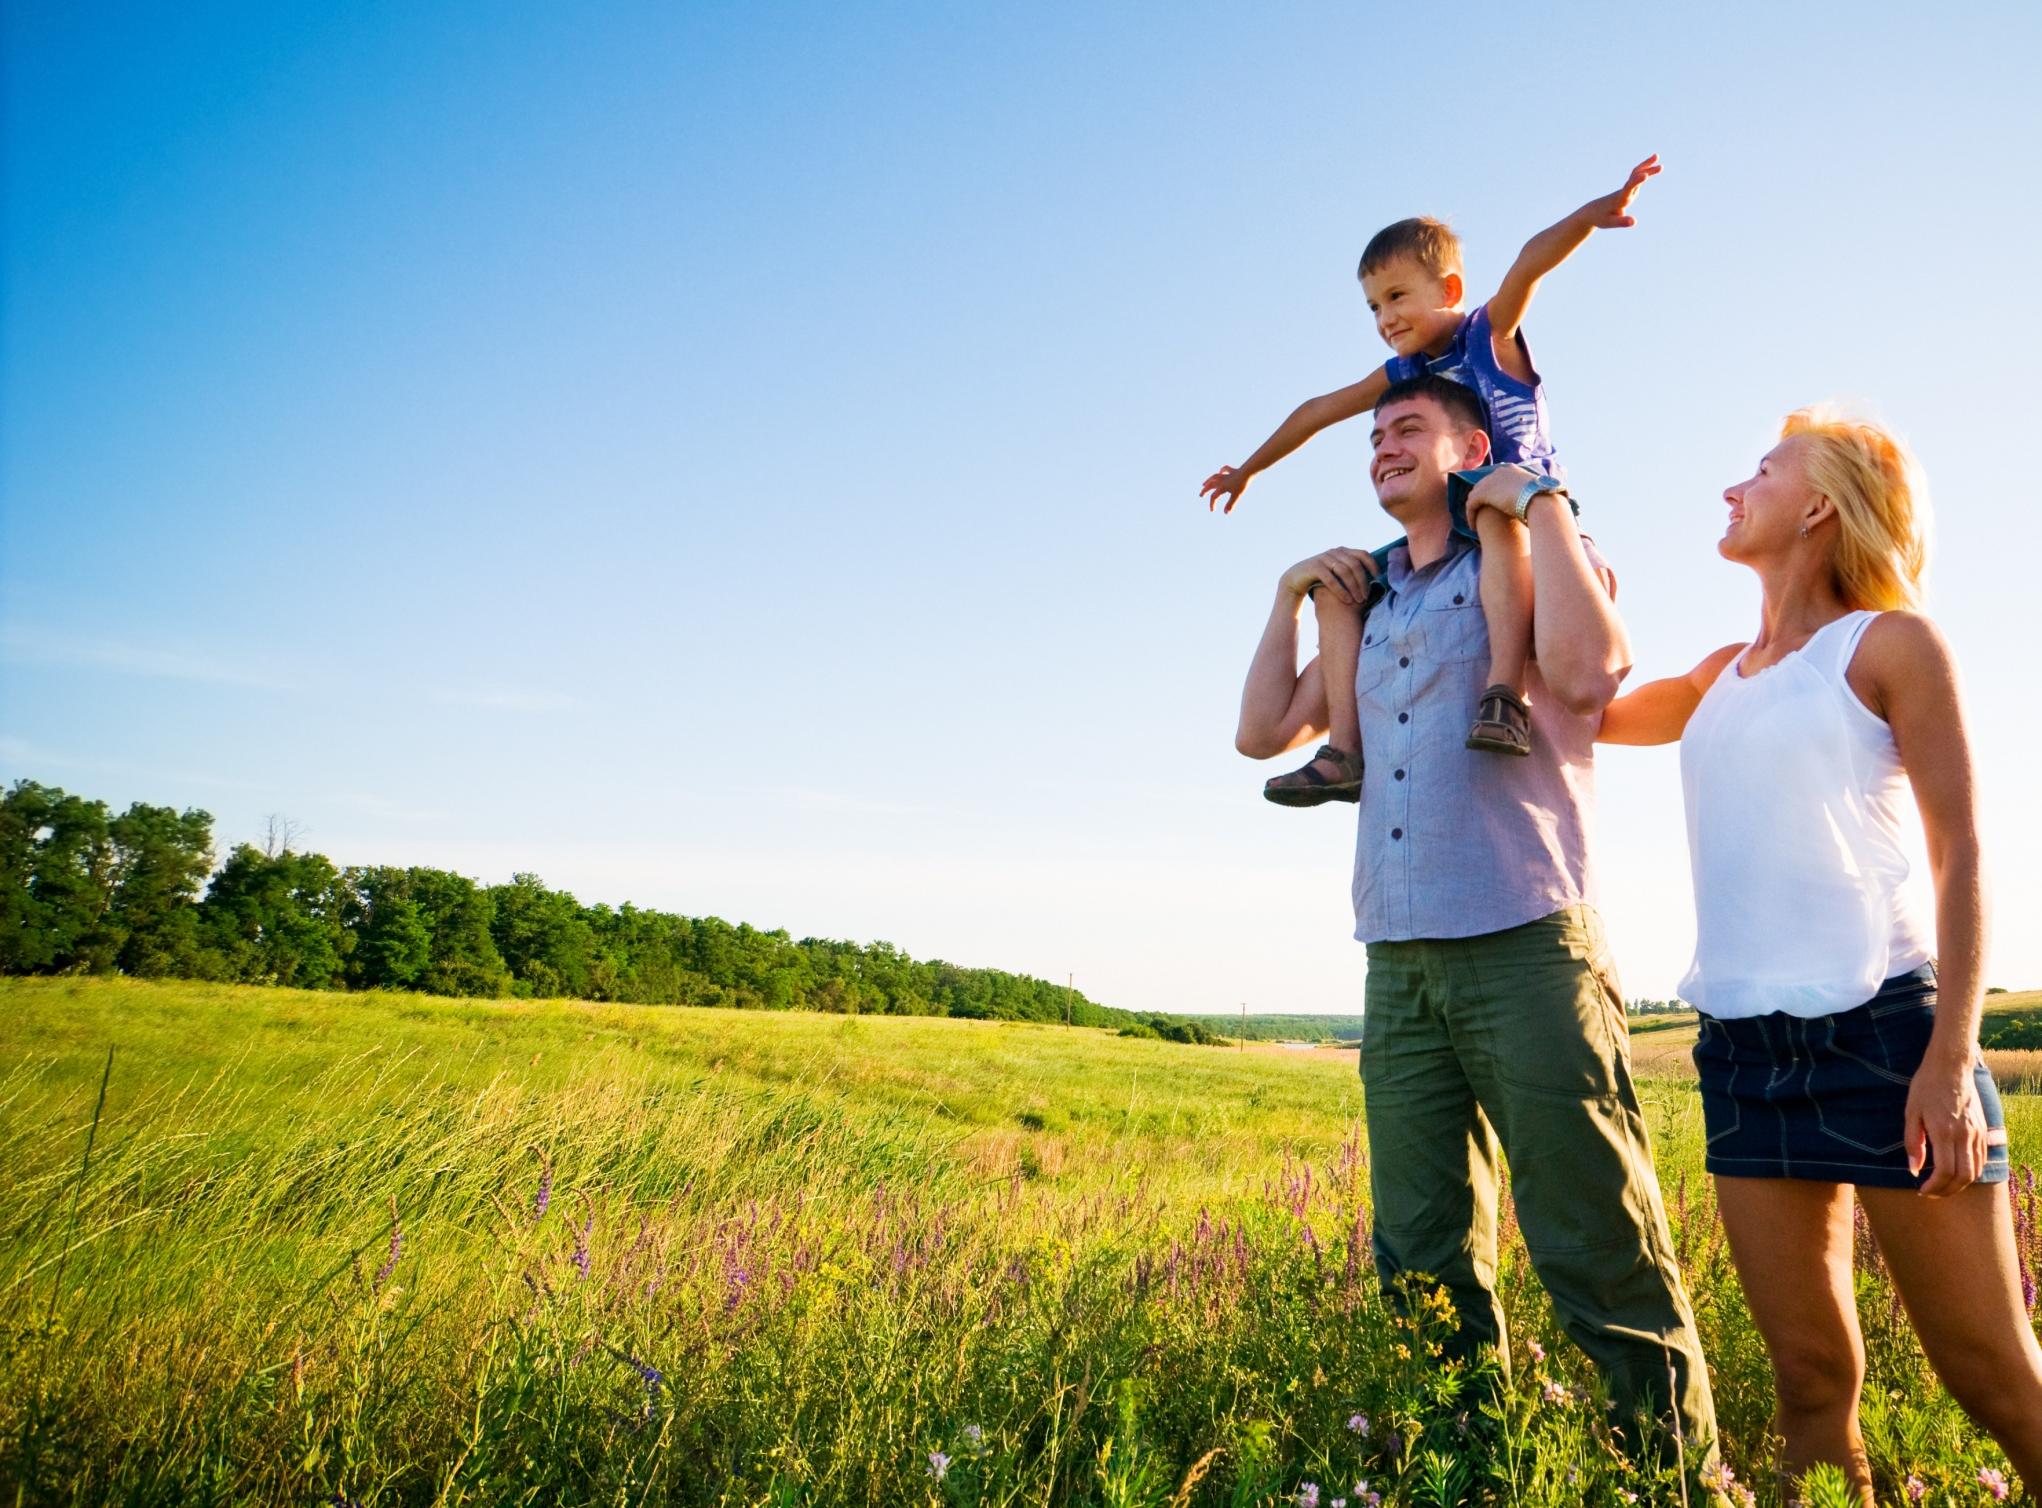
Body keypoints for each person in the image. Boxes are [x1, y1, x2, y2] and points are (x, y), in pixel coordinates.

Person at [1235, 371, 1720, 1472]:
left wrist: (1537, 501)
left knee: (1596, 1235)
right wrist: (1285, 594)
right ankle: (1465, 1474)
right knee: (1418, 1253)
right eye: (1370, 437)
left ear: (1467, 447)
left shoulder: (1522, 562)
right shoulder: (1375, 606)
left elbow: (1593, 673)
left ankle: (1671, 1481)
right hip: (1395, 961)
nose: (1379, 446)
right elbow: (1259, 729)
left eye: (1405, 427)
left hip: (1524, 941)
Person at [1599, 409, 2042, 1501]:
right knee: (1806, 1382)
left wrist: (1948, 1059)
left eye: (1757, 470)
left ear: (1816, 506)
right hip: (1744, 1056)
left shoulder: (1888, 644)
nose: (1728, 489)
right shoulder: (1718, 675)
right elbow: (1577, 710)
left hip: (1888, 1036)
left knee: (1988, 1371)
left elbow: (1963, 850)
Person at [1206, 155, 1661, 803]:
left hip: (1520, 506)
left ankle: (1503, 691)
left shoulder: (1485, 336)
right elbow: (1318, 409)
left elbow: (1528, 262)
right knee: (1342, 585)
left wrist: (1591, 215)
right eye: (1372, 307)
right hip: (1453, 526)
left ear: (1448, 291)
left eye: (1396, 297)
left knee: (1489, 510)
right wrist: (1250, 467)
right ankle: (1346, 751)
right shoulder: (1403, 372)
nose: (1384, 318)